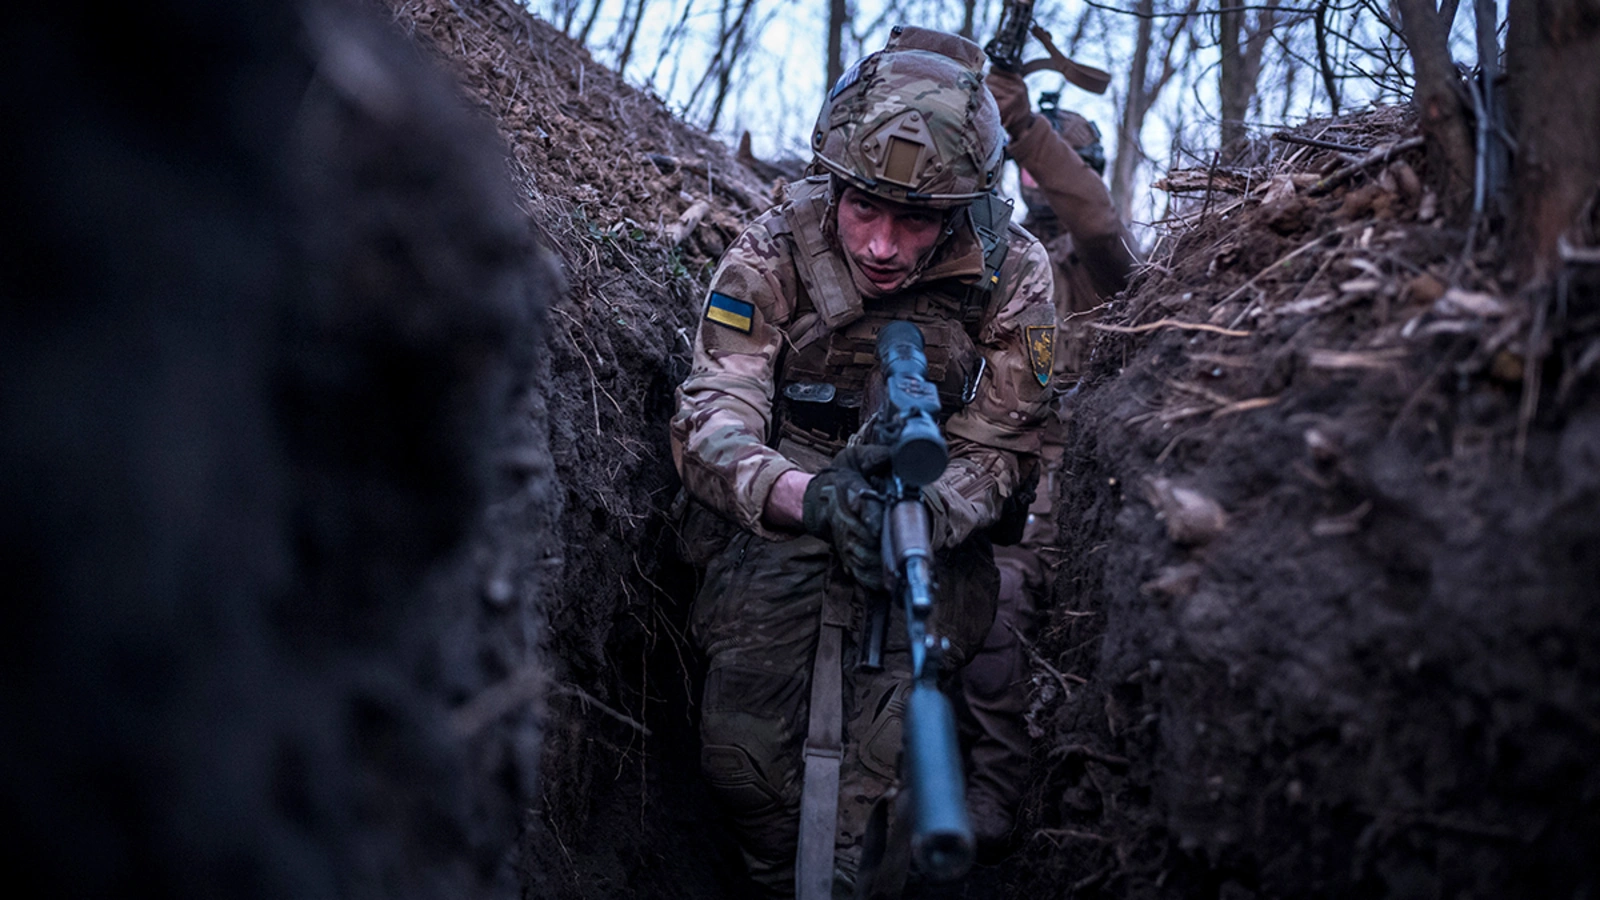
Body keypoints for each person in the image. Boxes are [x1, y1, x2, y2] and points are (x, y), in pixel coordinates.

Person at [669, 26, 1060, 899]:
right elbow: (713, 416)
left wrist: (925, 512)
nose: (882, 246)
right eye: (863, 210)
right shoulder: (774, 249)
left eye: (915, 221)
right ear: (835, 185)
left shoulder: (1015, 273)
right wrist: (807, 496)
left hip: (924, 524)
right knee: (742, 760)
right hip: (785, 513)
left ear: (958, 211)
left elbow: (1006, 442)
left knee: (882, 791)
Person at [953, 66, 1140, 855]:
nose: (1038, 181)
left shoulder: (1099, 267)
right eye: (1028, 163)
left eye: (1054, 164)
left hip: (1058, 470)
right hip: (977, 447)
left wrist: (1028, 126)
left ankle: (993, 790)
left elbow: (1096, 223)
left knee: (1003, 599)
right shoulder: (988, 249)